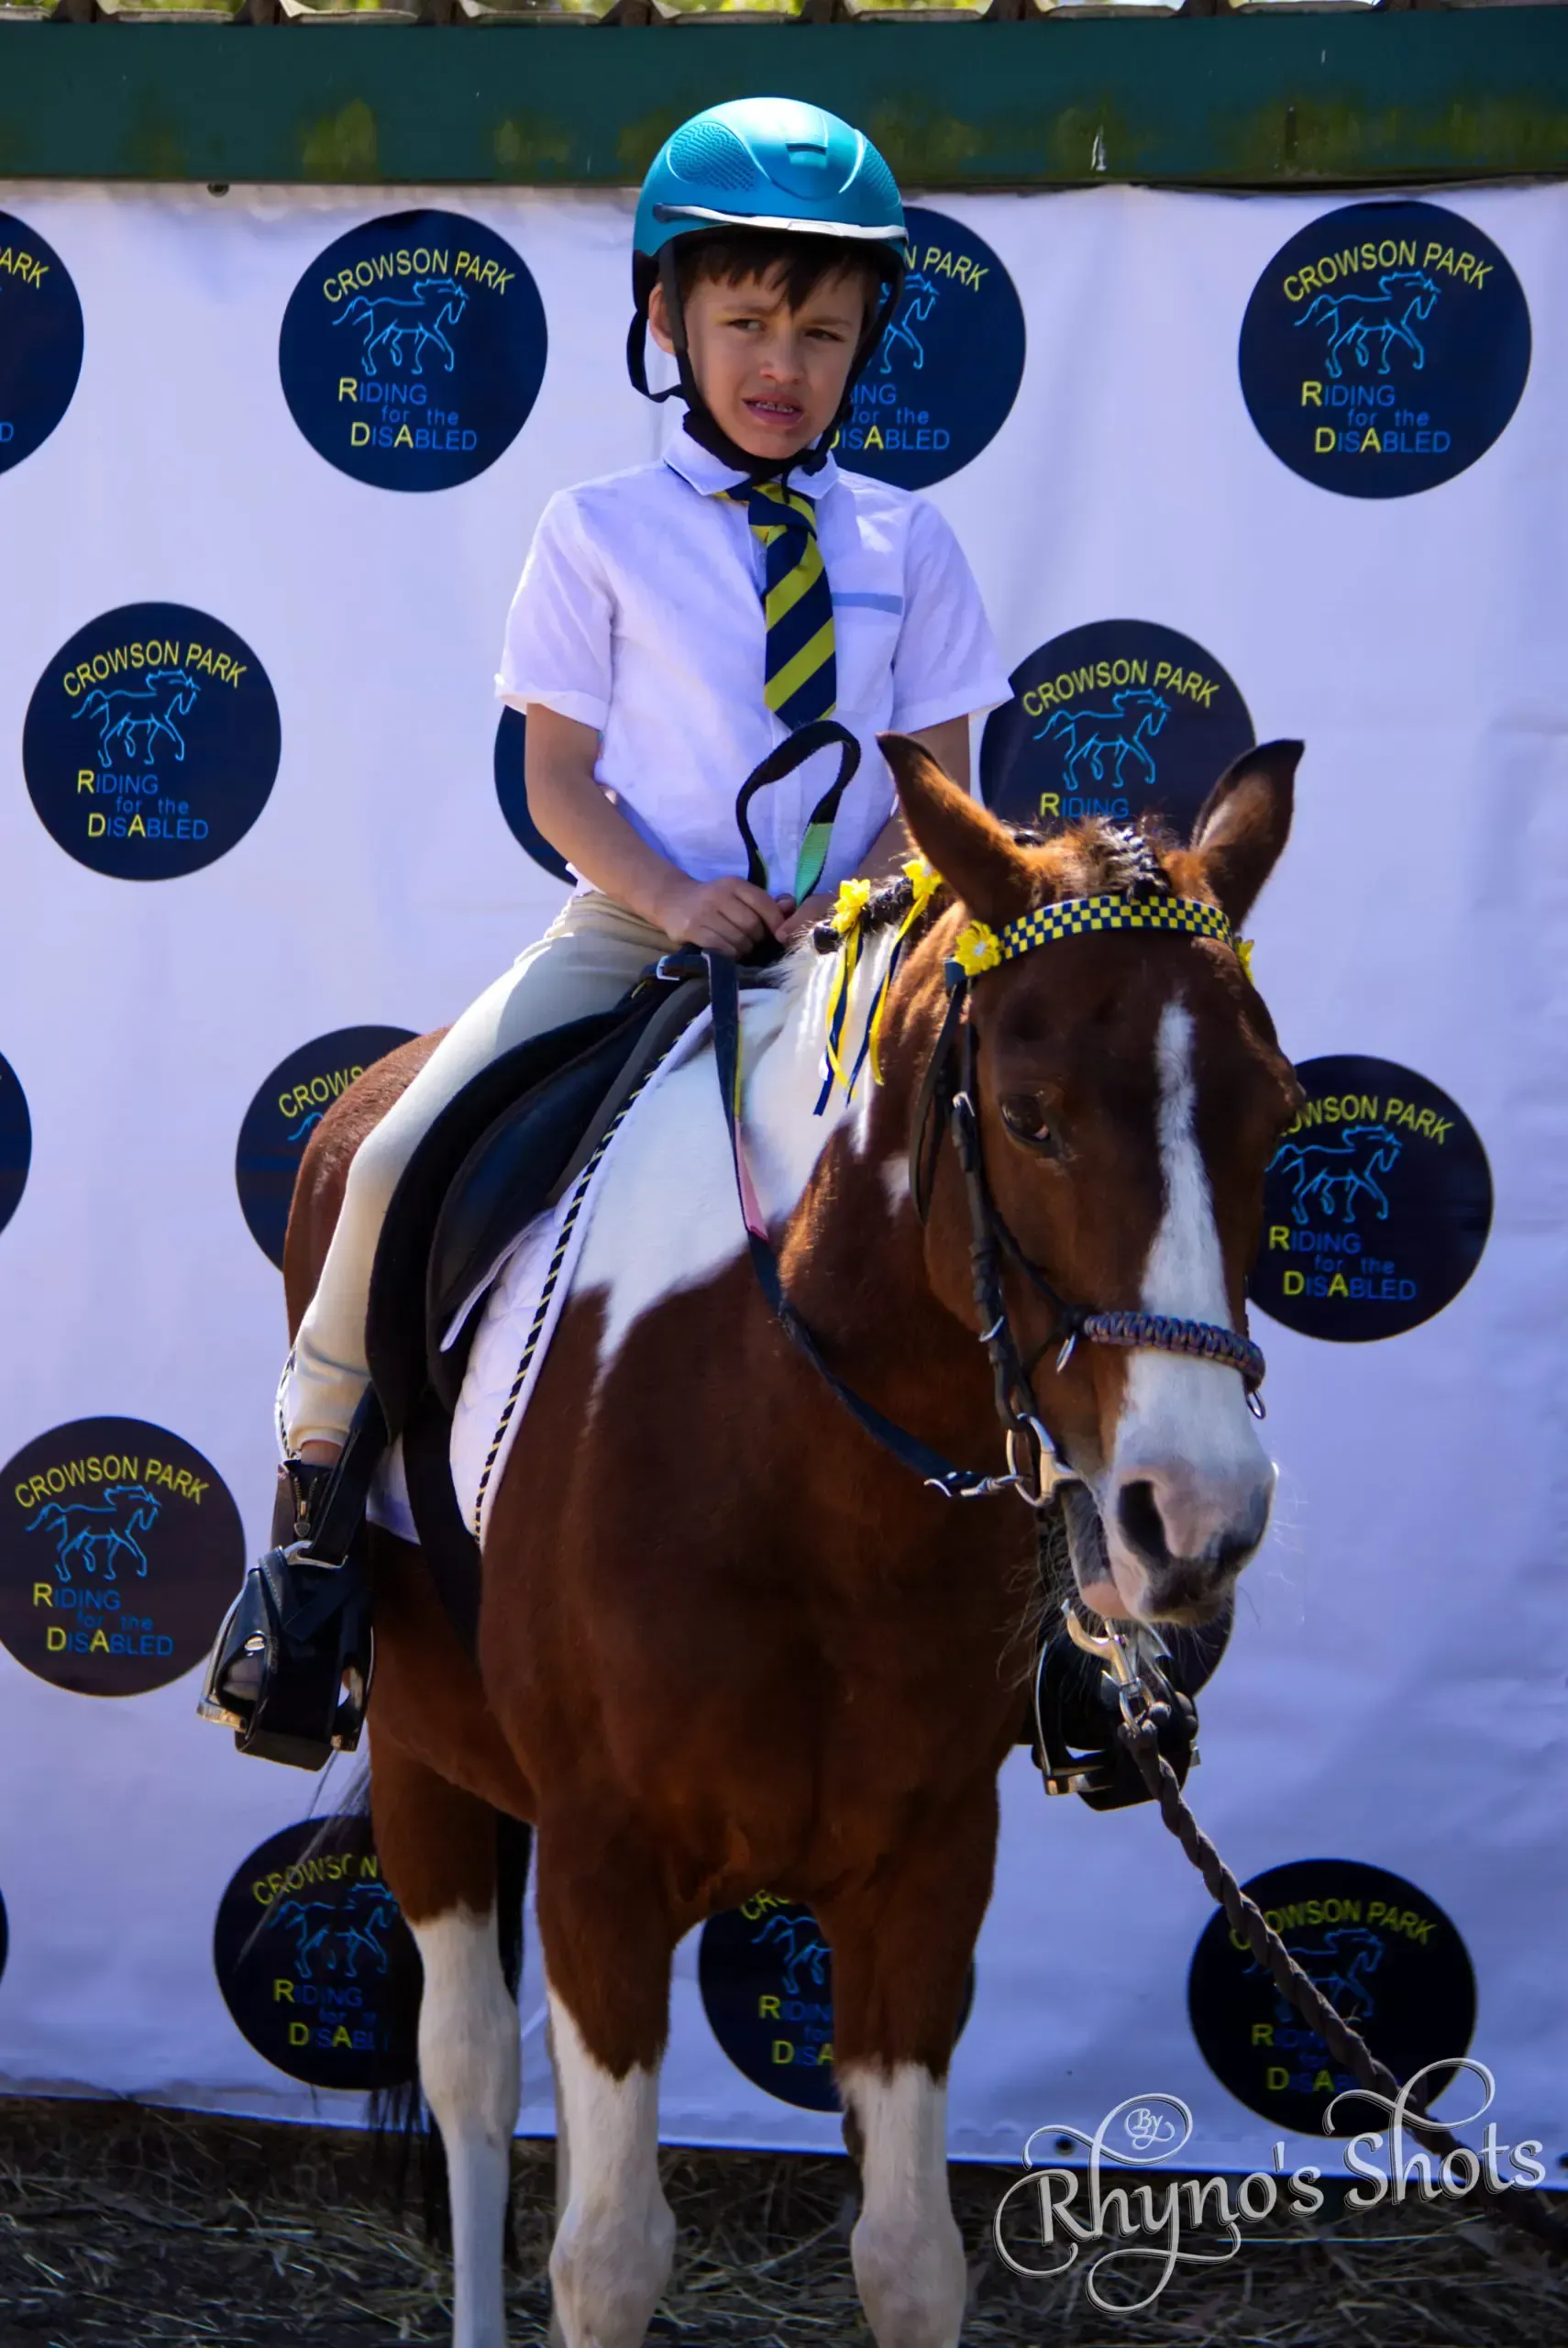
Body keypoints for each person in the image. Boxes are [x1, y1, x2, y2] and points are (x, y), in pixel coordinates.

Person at [201, 94, 1010, 1760]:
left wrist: (864, 905)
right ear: (667, 322)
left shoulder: (907, 545)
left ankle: (1067, 1606)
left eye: (821, 330)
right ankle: (311, 1536)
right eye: (742, 323)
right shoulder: (599, 533)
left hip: (858, 953)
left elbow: (945, 786)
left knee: (1042, 1189)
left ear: (864, 348)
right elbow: (559, 778)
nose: (780, 360)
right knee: (402, 1146)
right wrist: (676, 896)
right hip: (637, 928)